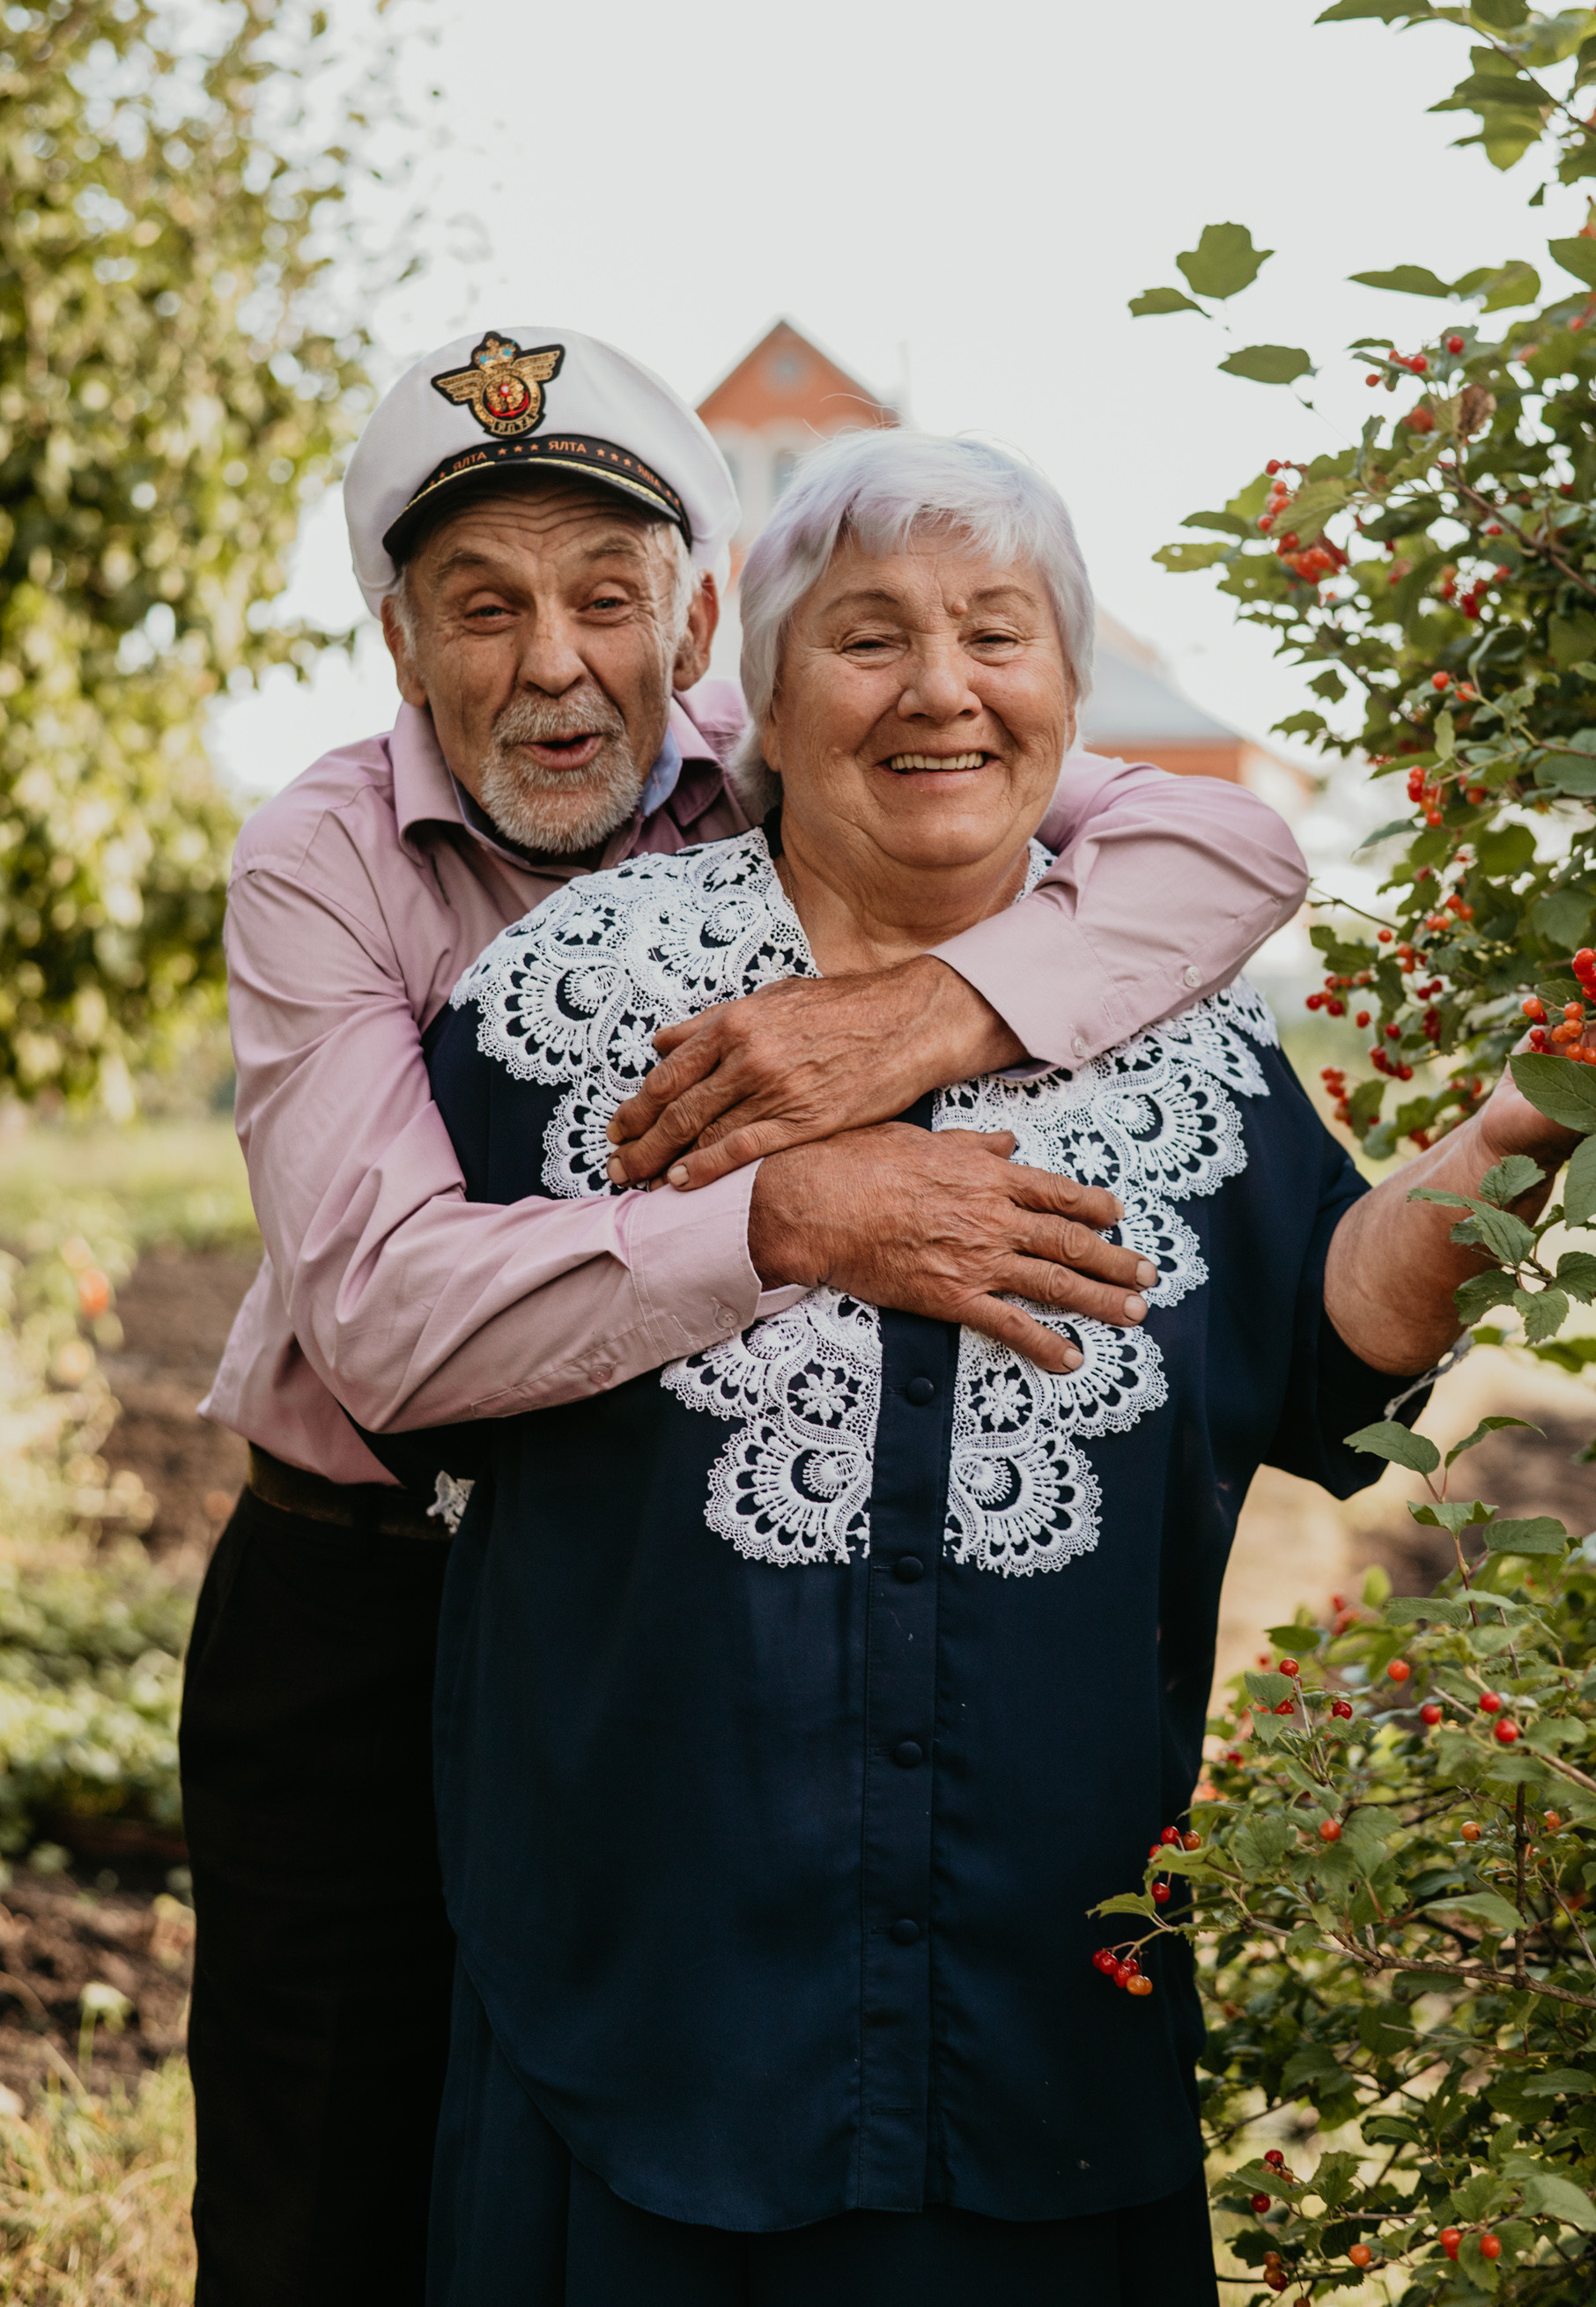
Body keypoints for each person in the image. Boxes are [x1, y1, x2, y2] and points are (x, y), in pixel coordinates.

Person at [405, 426, 1596, 2304]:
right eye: (867, 637)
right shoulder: (585, 1001)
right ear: (760, 696)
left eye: (996, 636)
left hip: (1030, 2021)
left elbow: (1330, 1342)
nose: (939, 687)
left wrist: (1502, 1138)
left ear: (1068, 697)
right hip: (645, 2010)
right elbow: (407, 1353)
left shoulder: (1183, 1031)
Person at [179, 328, 1309, 2307]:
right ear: (395, 640)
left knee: (670, 2138)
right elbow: (388, 1320)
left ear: (696, 623)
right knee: (330, 2177)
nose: (553, 665)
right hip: (368, 1581)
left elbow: (1225, 842)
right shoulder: (321, 861)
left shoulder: (795, 747)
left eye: (606, 600)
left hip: (650, 1601)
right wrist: (780, 1216)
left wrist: (939, 1007)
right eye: (483, 608)